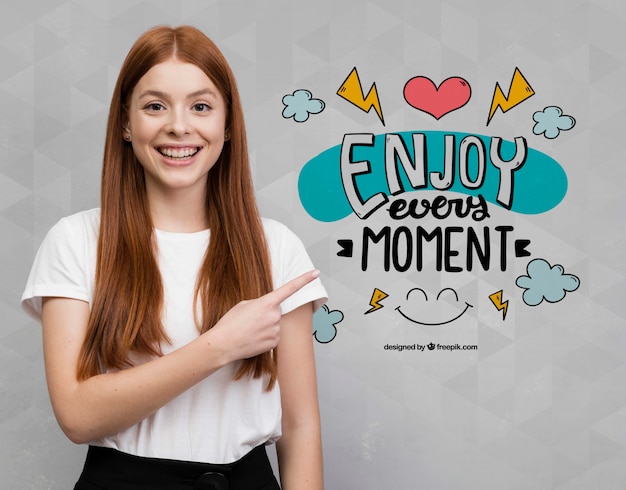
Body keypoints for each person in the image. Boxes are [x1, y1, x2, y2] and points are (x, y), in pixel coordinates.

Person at [21, 25, 327, 490]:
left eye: (201, 106)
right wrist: (219, 346)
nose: (179, 125)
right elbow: (77, 416)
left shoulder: (276, 248)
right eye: (154, 106)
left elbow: (300, 427)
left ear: (227, 125)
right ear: (126, 123)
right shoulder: (76, 240)